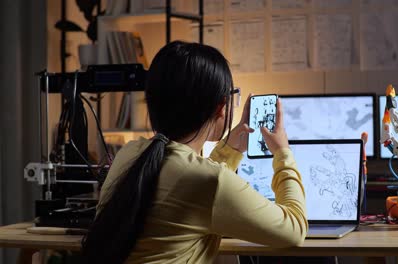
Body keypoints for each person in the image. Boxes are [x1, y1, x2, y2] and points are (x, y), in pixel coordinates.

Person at [82, 41, 308, 264]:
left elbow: (188, 186)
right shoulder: (210, 181)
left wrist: (230, 150)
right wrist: (282, 152)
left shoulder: (129, 153)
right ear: (221, 106)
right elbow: (294, 229)